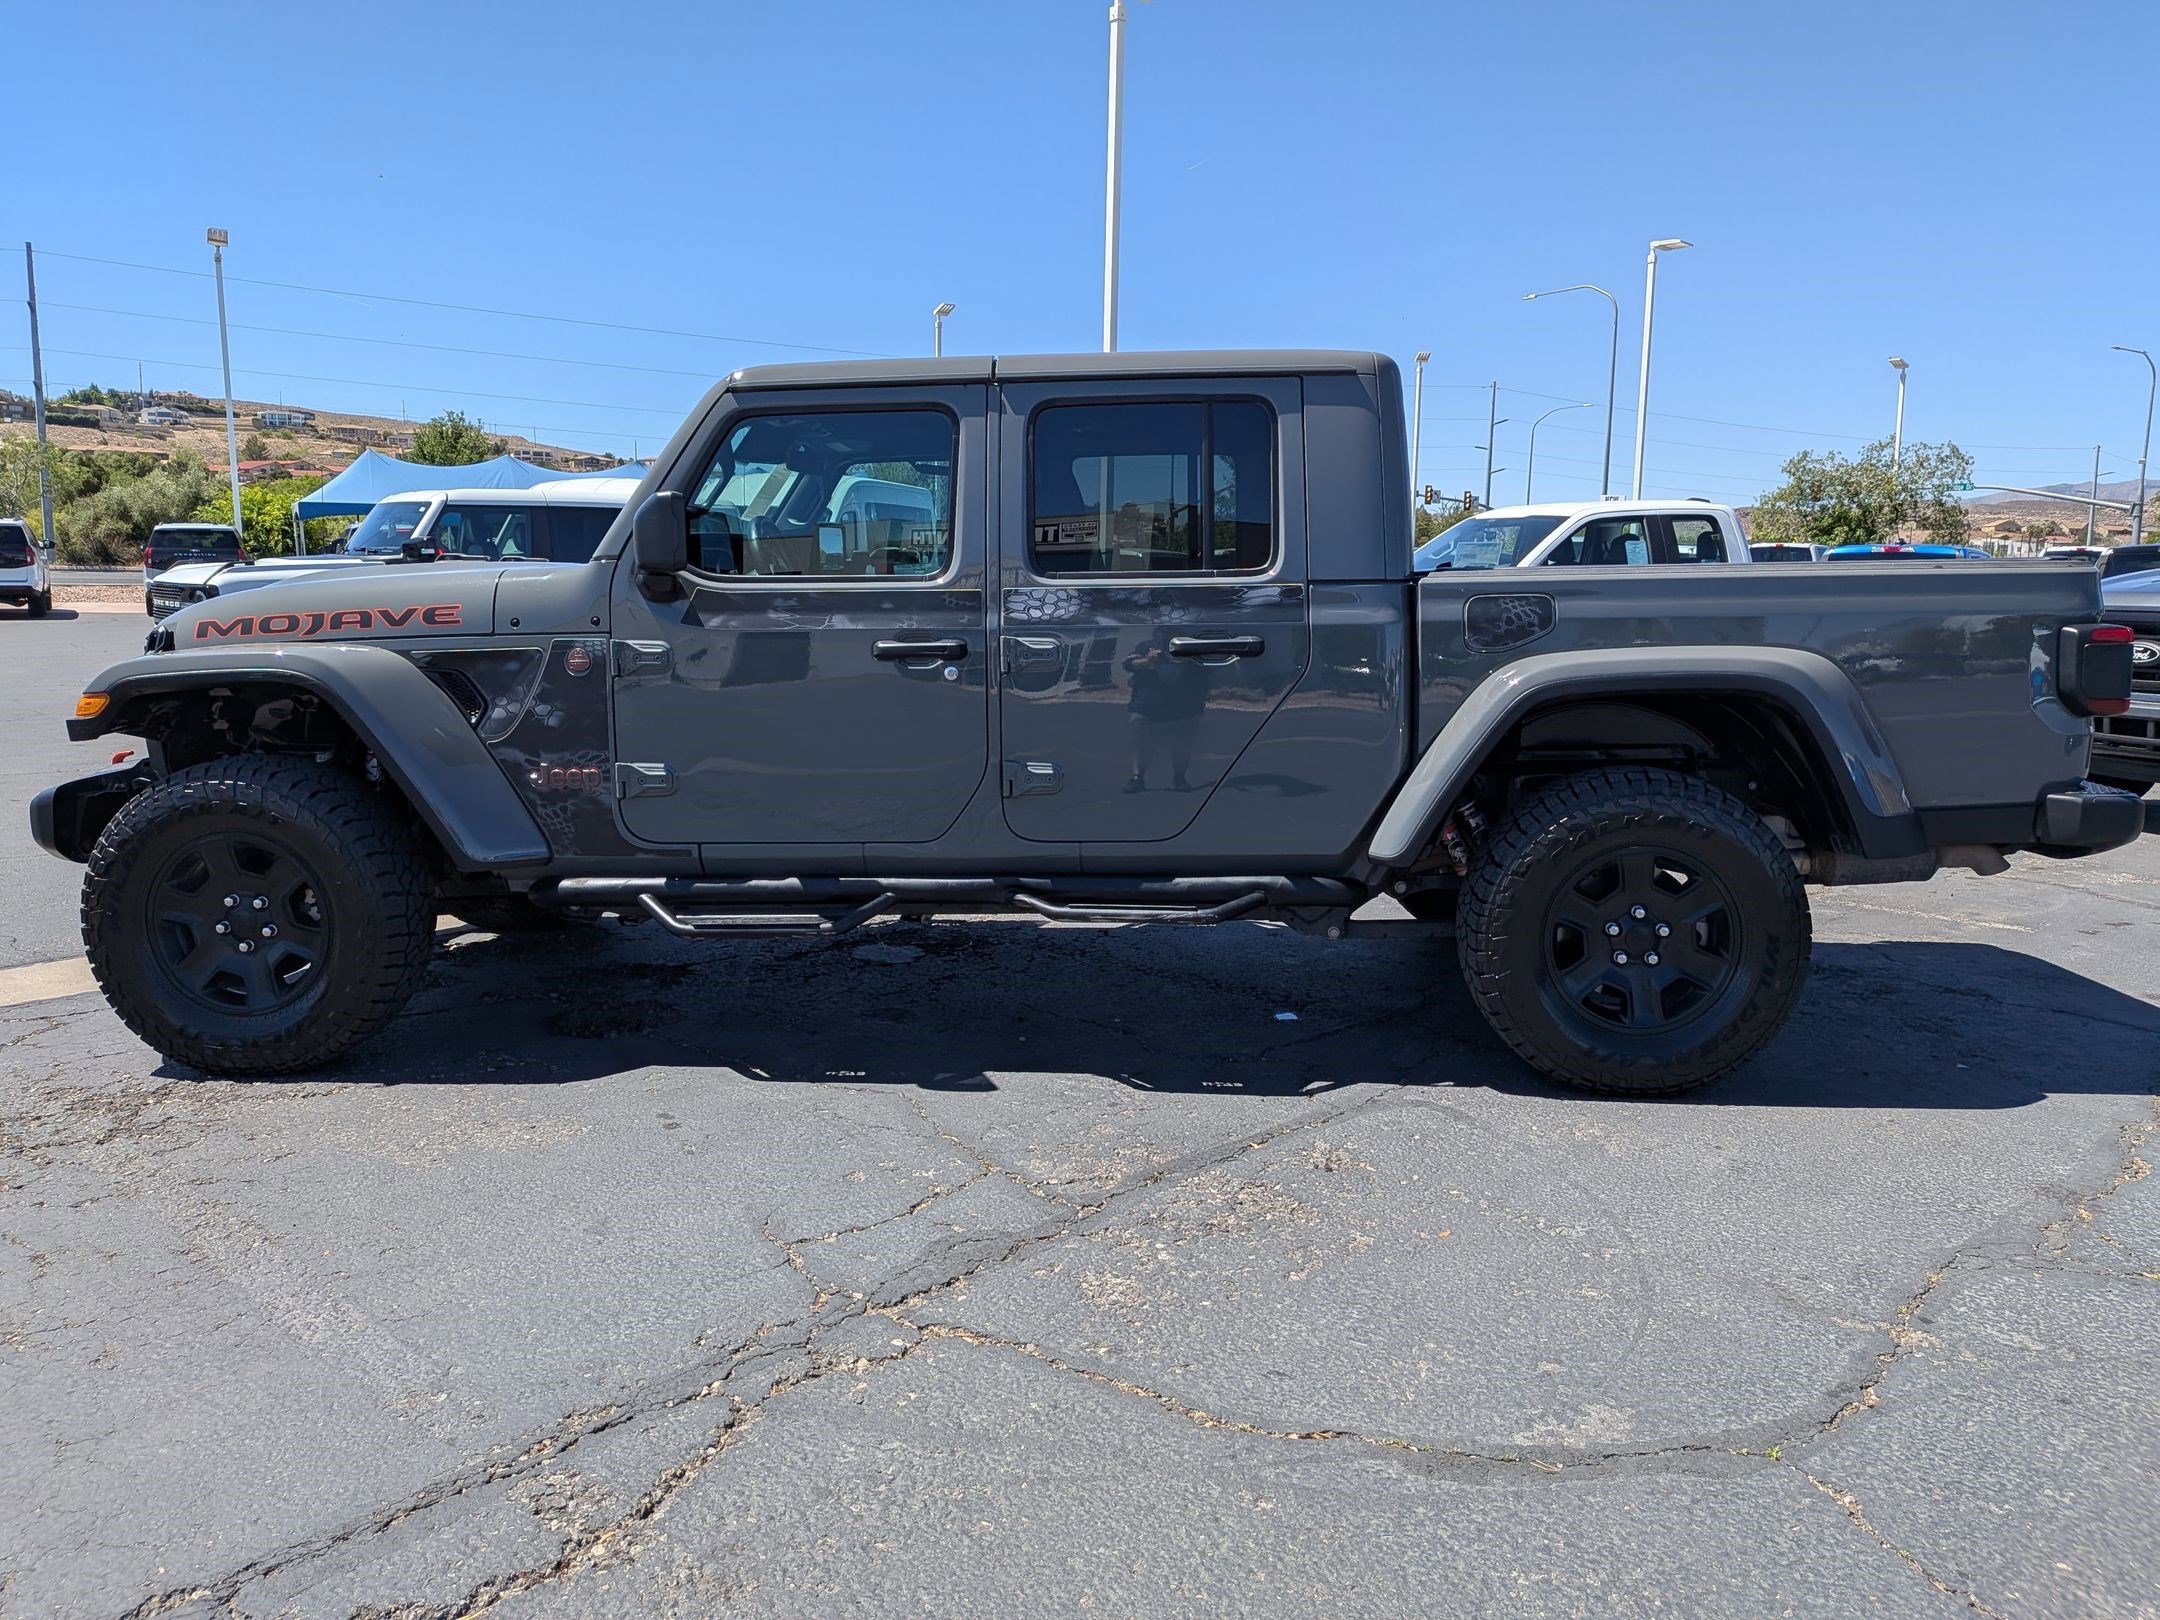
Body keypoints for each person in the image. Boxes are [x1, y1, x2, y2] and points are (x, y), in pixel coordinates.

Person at [1123, 628, 1208, 792]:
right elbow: (1129, 664)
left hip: (1183, 707)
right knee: (1143, 745)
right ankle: (1137, 778)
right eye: (1162, 633)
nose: (1165, 637)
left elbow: (1205, 672)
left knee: (1181, 745)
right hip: (1148, 706)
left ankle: (1179, 779)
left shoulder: (1192, 648)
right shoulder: (1146, 647)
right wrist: (1148, 660)